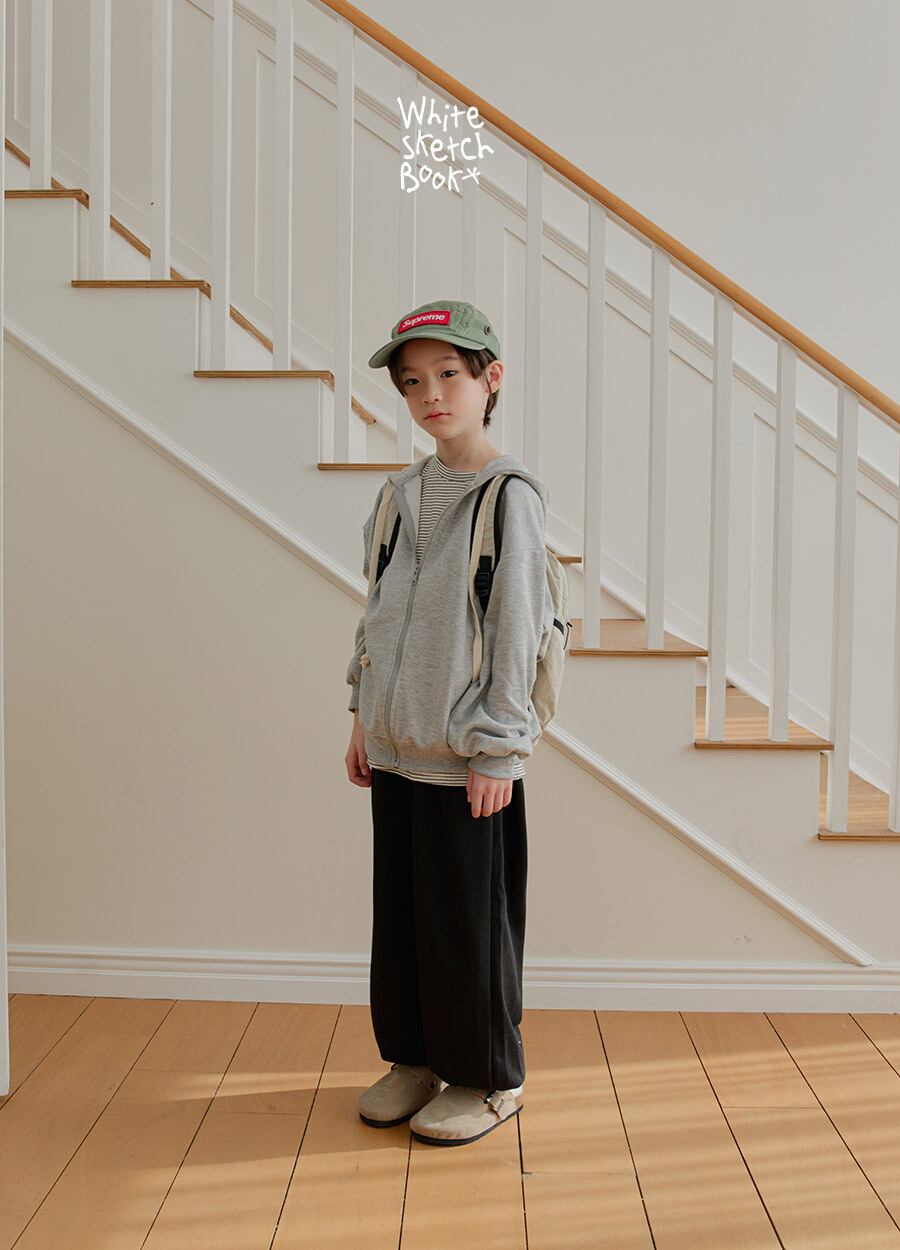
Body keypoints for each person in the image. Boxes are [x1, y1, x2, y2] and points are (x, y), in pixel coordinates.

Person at [344, 299, 554, 1147]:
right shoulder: (398, 495)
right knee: (401, 920)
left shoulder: (509, 499)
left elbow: (518, 630)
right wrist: (361, 715)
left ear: (489, 379)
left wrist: (500, 749)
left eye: (449, 375)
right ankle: (416, 1060)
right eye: (412, 382)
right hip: (396, 749)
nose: (430, 394)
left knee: (467, 928)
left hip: (469, 758)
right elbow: (377, 613)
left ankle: (488, 1078)